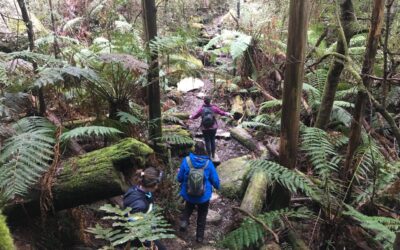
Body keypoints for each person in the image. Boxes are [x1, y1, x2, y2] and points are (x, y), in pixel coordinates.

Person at [177, 144, 220, 243]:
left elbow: (179, 178)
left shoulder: (187, 160)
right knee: (202, 214)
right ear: (204, 151)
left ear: (194, 150)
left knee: (188, 207)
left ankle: (184, 221)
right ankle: (199, 237)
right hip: (203, 196)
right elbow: (215, 180)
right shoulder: (208, 163)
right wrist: (218, 186)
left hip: (189, 193)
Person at [123, 167, 166, 250]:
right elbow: (137, 229)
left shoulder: (139, 189)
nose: (157, 186)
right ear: (152, 186)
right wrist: (150, 245)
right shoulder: (139, 205)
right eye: (157, 184)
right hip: (141, 238)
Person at [189, 96, 233, 161]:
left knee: (207, 141)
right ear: (210, 101)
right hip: (213, 127)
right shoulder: (213, 108)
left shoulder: (201, 109)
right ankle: (213, 155)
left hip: (205, 128)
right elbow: (221, 112)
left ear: (204, 101)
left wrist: (190, 117)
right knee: (212, 140)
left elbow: (195, 115)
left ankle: (209, 156)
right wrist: (228, 114)